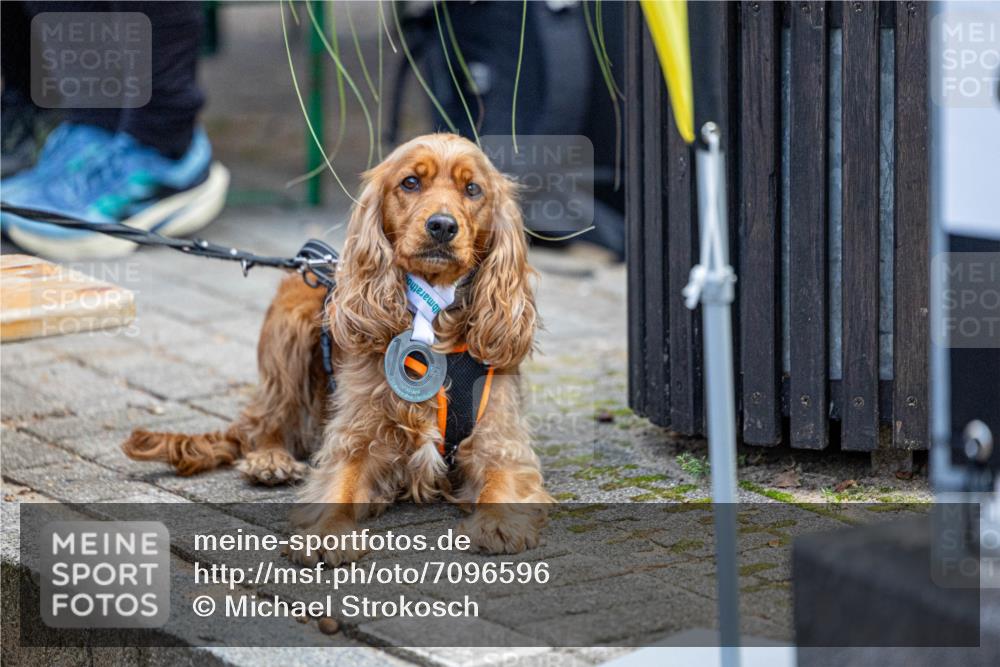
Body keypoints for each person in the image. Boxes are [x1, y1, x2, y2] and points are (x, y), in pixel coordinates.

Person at [0, 1, 228, 260]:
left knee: (158, 125)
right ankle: (98, 126)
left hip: (162, 131)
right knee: (97, 110)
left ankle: (163, 148)